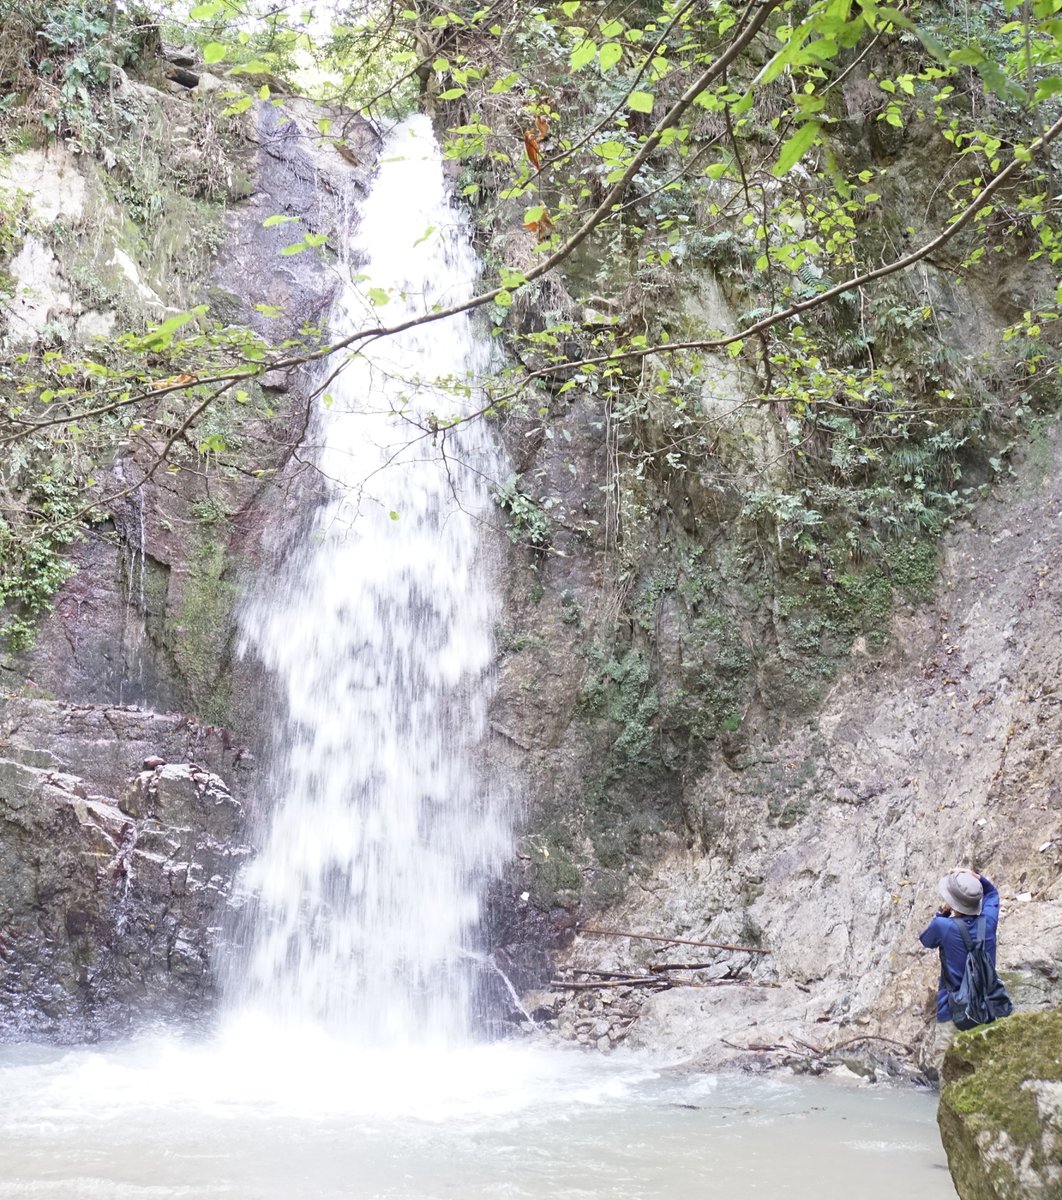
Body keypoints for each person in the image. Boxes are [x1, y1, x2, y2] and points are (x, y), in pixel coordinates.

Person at [919, 868, 1000, 1068]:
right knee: (980, 1071)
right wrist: (977, 877)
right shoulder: (988, 922)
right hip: (984, 1009)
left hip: (951, 1010)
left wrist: (943, 912)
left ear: (953, 902)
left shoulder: (942, 926)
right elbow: (993, 894)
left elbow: (926, 940)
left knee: (946, 1070)